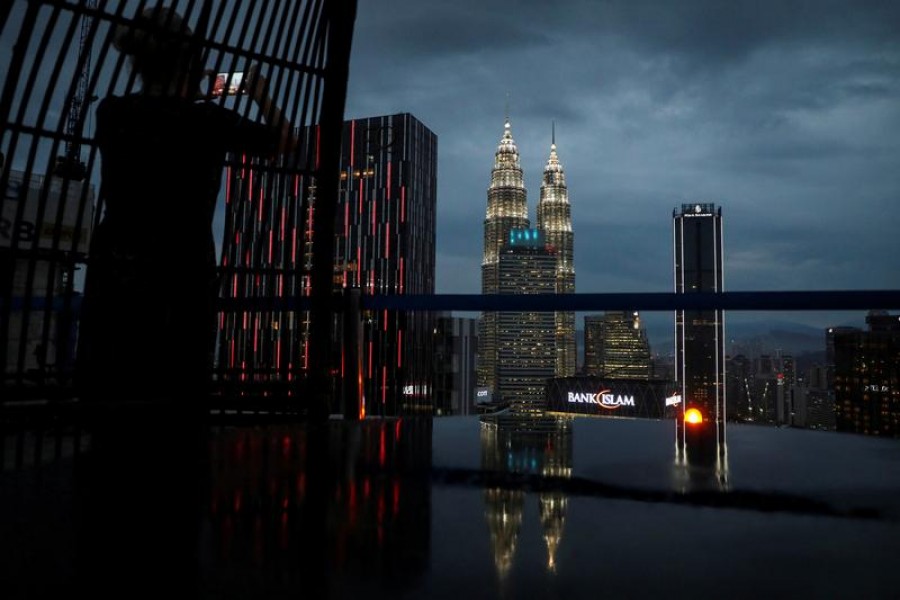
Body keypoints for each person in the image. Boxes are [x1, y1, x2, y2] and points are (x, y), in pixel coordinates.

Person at [72, 4, 295, 593]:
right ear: (194, 61)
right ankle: (169, 545)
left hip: (116, 264)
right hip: (182, 268)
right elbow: (283, 142)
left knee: (115, 400)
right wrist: (260, 93)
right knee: (178, 403)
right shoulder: (208, 122)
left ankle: (108, 537)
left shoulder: (111, 112)